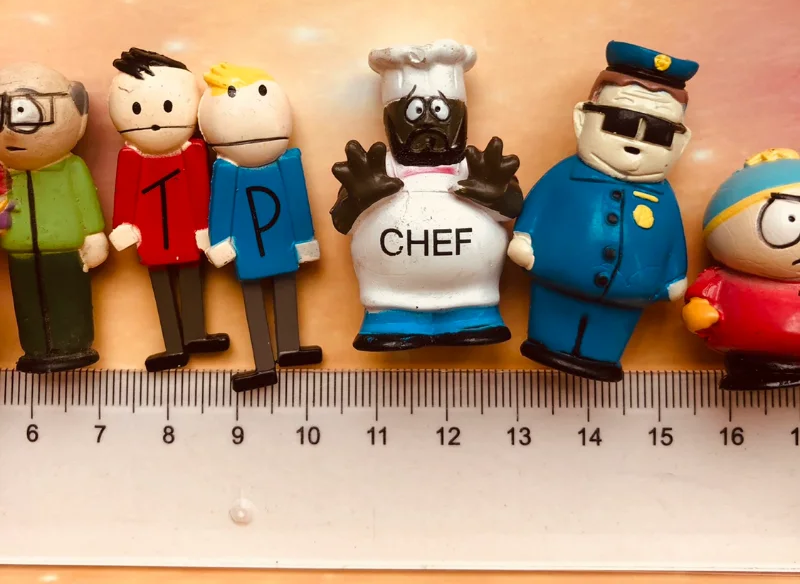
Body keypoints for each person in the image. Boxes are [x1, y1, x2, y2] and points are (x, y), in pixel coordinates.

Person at [508, 41, 698, 381]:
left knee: (611, 328)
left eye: (658, 133)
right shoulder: (566, 174)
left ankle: (601, 357)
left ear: (680, 143)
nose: (635, 141)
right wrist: (525, 236)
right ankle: (546, 343)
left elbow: (672, 237)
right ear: (583, 119)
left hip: (628, 295)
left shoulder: (663, 197)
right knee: (554, 315)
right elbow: (541, 203)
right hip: (557, 280)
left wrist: (674, 275)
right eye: (621, 123)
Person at [331, 39, 522, 351]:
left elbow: (511, 209)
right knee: (393, 318)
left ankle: (470, 318)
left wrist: (497, 194)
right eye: (414, 112)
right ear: (390, 119)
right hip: (390, 294)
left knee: (472, 316)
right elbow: (342, 222)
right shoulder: (376, 168)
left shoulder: (475, 166)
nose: (429, 122)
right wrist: (360, 197)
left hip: (474, 292)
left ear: (461, 116)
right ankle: (394, 321)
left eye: (440, 111)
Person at [199, 63, 322, 392]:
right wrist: (220, 242)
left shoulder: (286, 164)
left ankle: (290, 349)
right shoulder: (228, 171)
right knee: (254, 301)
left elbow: (298, 204)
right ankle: (264, 364)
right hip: (247, 248)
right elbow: (220, 209)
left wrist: (304, 240)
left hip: (281, 243)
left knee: (286, 288)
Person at [108, 48, 229, 372]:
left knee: (190, 279)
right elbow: (124, 194)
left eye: (167, 106)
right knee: (161, 285)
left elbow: (202, 192)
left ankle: (195, 334)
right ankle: (173, 345)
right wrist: (124, 224)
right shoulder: (131, 157)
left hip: (186, 230)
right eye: (136, 108)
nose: (154, 121)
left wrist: (203, 228)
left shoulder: (192, 152)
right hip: (149, 233)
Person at [0, 62, 108, 372]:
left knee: (69, 298)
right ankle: (35, 348)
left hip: (65, 247)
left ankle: (75, 344)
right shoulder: (5, 173)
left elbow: (86, 202)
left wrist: (93, 234)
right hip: (19, 249)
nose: (9, 130)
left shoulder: (70, 167)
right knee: (27, 302)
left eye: (25, 114)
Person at [684, 149, 800, 390]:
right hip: (744, 349)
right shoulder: (725, 278)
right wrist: (700, 311)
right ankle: (748, 371)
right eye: (790, 218)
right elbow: (701, 299)